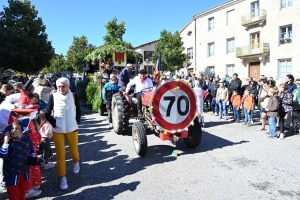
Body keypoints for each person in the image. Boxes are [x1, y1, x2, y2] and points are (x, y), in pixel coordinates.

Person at [45, 77, 81, 190]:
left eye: (63, 86)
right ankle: (62, 176)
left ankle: (76, 162)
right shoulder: (53, 96)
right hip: (58, 129)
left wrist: (77, 121)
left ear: (68, 86)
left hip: (72, 128)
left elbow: (79, 110)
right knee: (60, 154)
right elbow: (47, 113)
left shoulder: (74, 95)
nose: (61, 88)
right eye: (59, 86)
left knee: (73, 150)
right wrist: (54, 123)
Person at [0, 118, 43, 200]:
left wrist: (34, 159)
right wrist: (5, 142)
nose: (14, 130)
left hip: (24, 171)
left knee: (22, 192)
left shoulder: (27, 140)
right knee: (14, 195)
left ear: (22, 130)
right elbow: (2, 154)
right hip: (12, 173)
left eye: (17, 129)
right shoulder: (9, 141)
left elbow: (31, 151)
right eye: (12, 128)